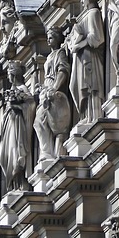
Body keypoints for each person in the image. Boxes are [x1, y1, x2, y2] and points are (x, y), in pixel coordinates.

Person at [66, 0, 106, 122]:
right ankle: (88, 116)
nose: (81, 1)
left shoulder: (94, 13)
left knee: (92, 86)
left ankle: (95, 115)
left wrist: (79, 45)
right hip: (83, 59)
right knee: (78, 86)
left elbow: (97, 38)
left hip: (91, 58)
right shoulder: (86, 15)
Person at [34, 25, 72, 160]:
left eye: (51, 37)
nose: (48, 40)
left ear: (57, 39)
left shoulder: (60, 53)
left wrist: (55, 88)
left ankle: (50, 153)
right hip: (47, 90)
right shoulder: (50, 55)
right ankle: (46, 151)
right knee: (38, 121)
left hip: (53, 91)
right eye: (48, 37)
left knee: (52, 121)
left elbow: (63, 70)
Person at [0, 60, 33, 192]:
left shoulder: (22, 89)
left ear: (14, 75)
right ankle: (13, 185)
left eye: (10, 74)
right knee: (6, 155)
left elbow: (31, 105)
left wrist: (16, 106)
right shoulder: (11, 91)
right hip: (9, 126)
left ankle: (20, 182)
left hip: (18, 125)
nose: (9, 77)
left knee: (15, 153)